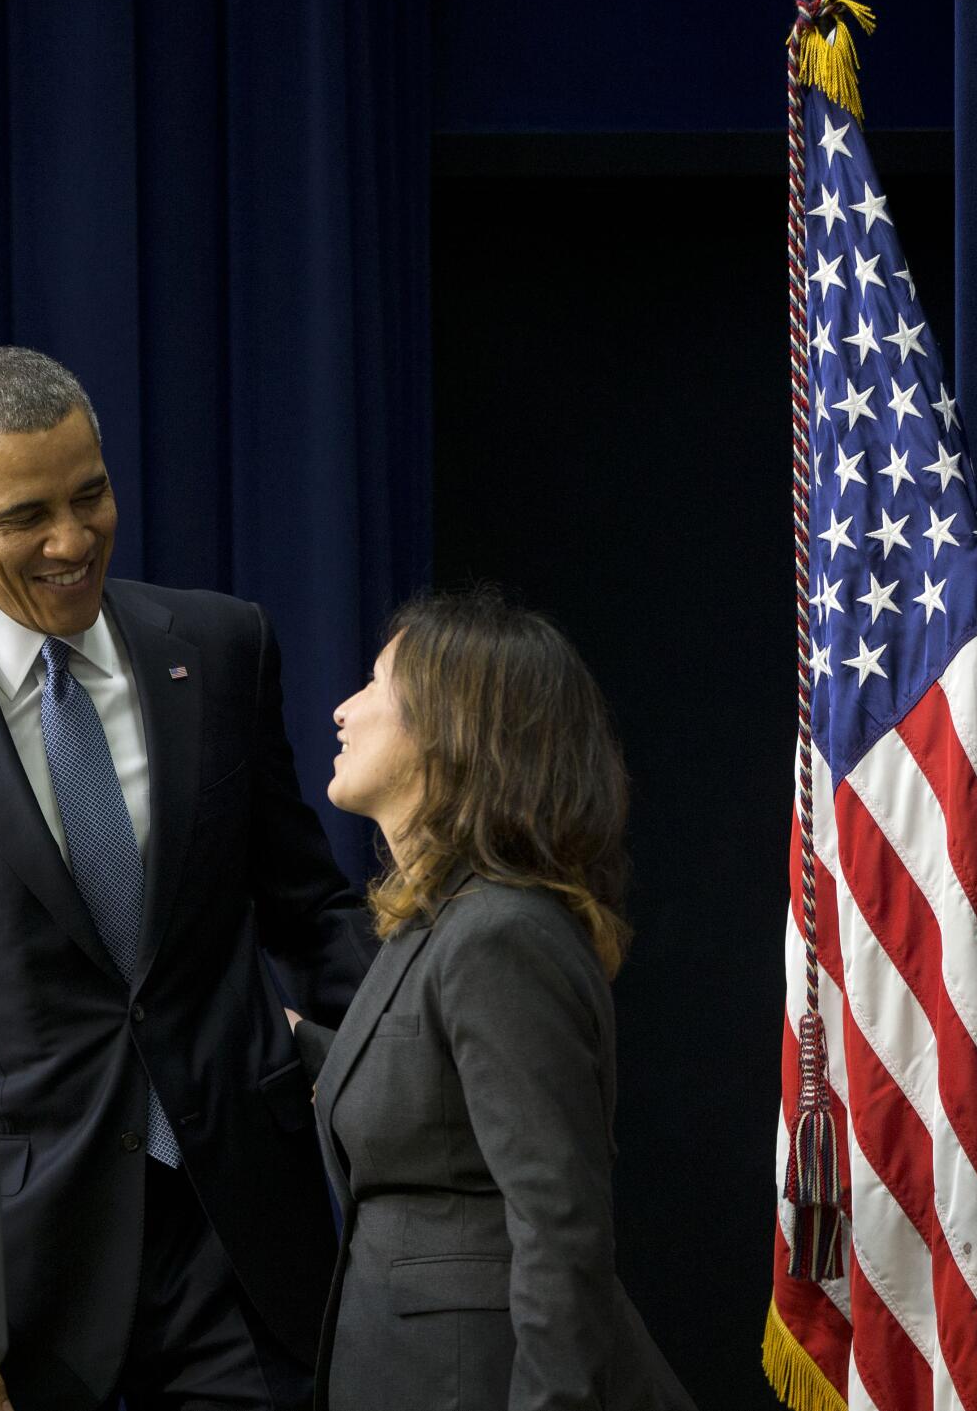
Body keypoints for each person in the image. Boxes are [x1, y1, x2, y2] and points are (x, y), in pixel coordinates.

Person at [0, 346, 372, 1410]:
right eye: (24, 516)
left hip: (244, 1250)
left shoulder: (221, 649)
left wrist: (406, 1087)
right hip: (18, 1287)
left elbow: (308, 908)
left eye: (90, 495)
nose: (70, 541)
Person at [290, 590, 697, 1411]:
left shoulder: (499, 934)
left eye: (373, 685)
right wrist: (282, 1033)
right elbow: (434, 1116)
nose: (342, 710)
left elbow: (561, 1227)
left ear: (450, 727)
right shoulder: (441, 926)